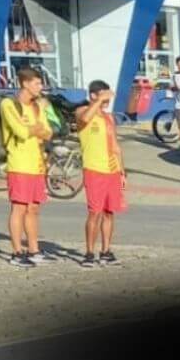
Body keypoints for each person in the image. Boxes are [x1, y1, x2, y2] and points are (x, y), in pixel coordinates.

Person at [2, 67, 54, 268]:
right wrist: (34, 130)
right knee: (19, 208)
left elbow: (48, 132)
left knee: (34, 208)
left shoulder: (37, 107)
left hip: (37, 164)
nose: (40, 87)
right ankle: (16, 252)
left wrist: (36, 129)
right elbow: (20, 131)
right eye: (37, 83)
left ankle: (34, 249)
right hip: (19, 164)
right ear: (25, 83)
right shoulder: (9, 104)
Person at [75, 81, 127, 268]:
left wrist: (122, 171)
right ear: (93, 95)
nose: (107, 101)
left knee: (109, 212)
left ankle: (106, 251)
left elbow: (115, 145)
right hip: (94, 169)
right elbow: (85, 119)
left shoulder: (108, 118)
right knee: (94, 212)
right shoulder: (82, 111)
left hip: (111, 170)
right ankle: (89, 253)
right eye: (102, 96)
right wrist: (99, 100)